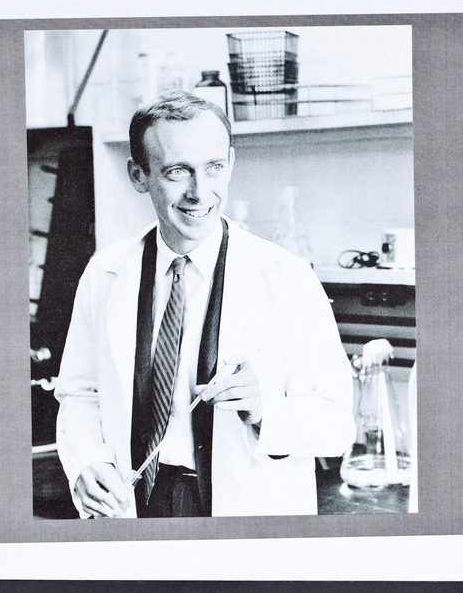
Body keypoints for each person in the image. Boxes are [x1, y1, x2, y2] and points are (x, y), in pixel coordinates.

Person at [53, 90, 355, 519]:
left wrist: (265, 410)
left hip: (243, 515)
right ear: (138, 175)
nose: (199, 192)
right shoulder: (105, 273)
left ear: (229, 163)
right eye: (177, 171)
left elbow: (337, 426)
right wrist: (87, 460)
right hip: (133, 502)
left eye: (213, 167)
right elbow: (79, 394)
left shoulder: (287, 278)